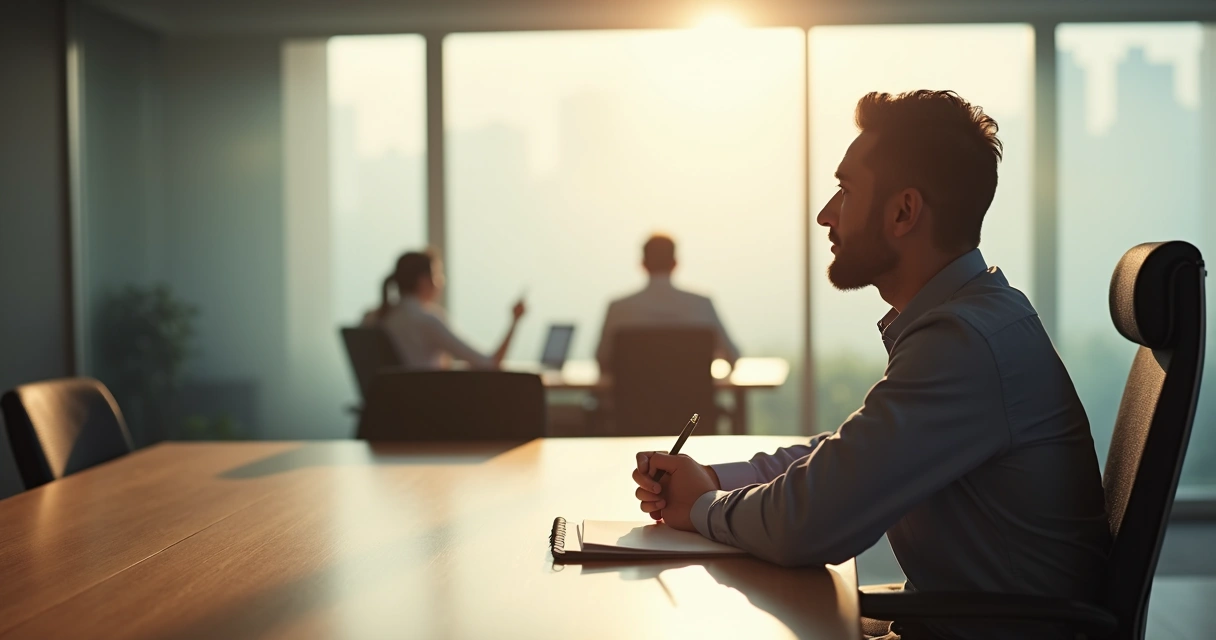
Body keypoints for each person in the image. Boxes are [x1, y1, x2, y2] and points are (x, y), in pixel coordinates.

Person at [629, 91, 1111, 640]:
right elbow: (847, 454)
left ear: (904, 211)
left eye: (846, 190)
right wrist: (714, 479)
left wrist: (704, 506)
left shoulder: (965, 343)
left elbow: (810, 523)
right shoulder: (973, 318)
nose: (825, 215)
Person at [595, 234, 740, 370]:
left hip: (631, 397)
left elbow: (602, 361)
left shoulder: (618, 308)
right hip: (692, 396)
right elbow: (733, 357)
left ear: (643, 264)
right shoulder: (702, 304)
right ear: (675, 263)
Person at [362, 250, 525, 370]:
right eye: (437, 275)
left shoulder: (373, 317)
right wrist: (515, 321)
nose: (441, 282)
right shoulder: (426, 320)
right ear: (423, 281)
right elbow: (490, 364)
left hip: (391, 408)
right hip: (427, 408)